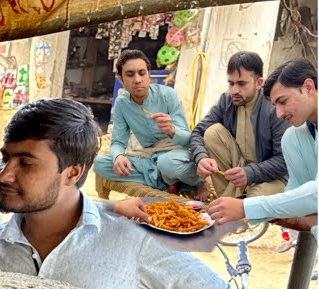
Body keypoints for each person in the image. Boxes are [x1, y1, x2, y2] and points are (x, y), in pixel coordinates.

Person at [0, 99, 242, 289]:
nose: (4, 174)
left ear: (72, 173)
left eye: (26, 163)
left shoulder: (128, 237)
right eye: (5, 158)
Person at [208, 59, 317, 243]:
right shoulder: (295, 137)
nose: (279, 114)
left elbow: (315, 194)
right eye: (275, 105)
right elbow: (296, 189)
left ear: (308, 87)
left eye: (283, 101)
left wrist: (246, 207)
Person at [93, 50, 200, 198]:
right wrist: (118, 156)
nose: (137, 80)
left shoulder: (168, 95)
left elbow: (188, 140)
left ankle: (195, 180)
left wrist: (172, 130)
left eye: (142, 73)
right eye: (130, 75)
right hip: (150, 157)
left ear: (148, 74)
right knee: (100, 163)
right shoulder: (122, 103)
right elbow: (118, 141)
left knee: (167, 164)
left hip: (177, 155)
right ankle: (167, 182)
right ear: (120, 79)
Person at [190, 52, 288, 203]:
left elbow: (284, 160)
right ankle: (228, 199)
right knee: (212, 133)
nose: (234, 90)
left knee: (251, 206)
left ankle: (240, 201)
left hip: (272, 177)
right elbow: (198, 132)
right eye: (231, 83)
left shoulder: (274, 107)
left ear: (259, 83)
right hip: (239, 169)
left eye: (241, 84)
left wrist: (250, 173)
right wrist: (200, 158)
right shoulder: (227, 100)